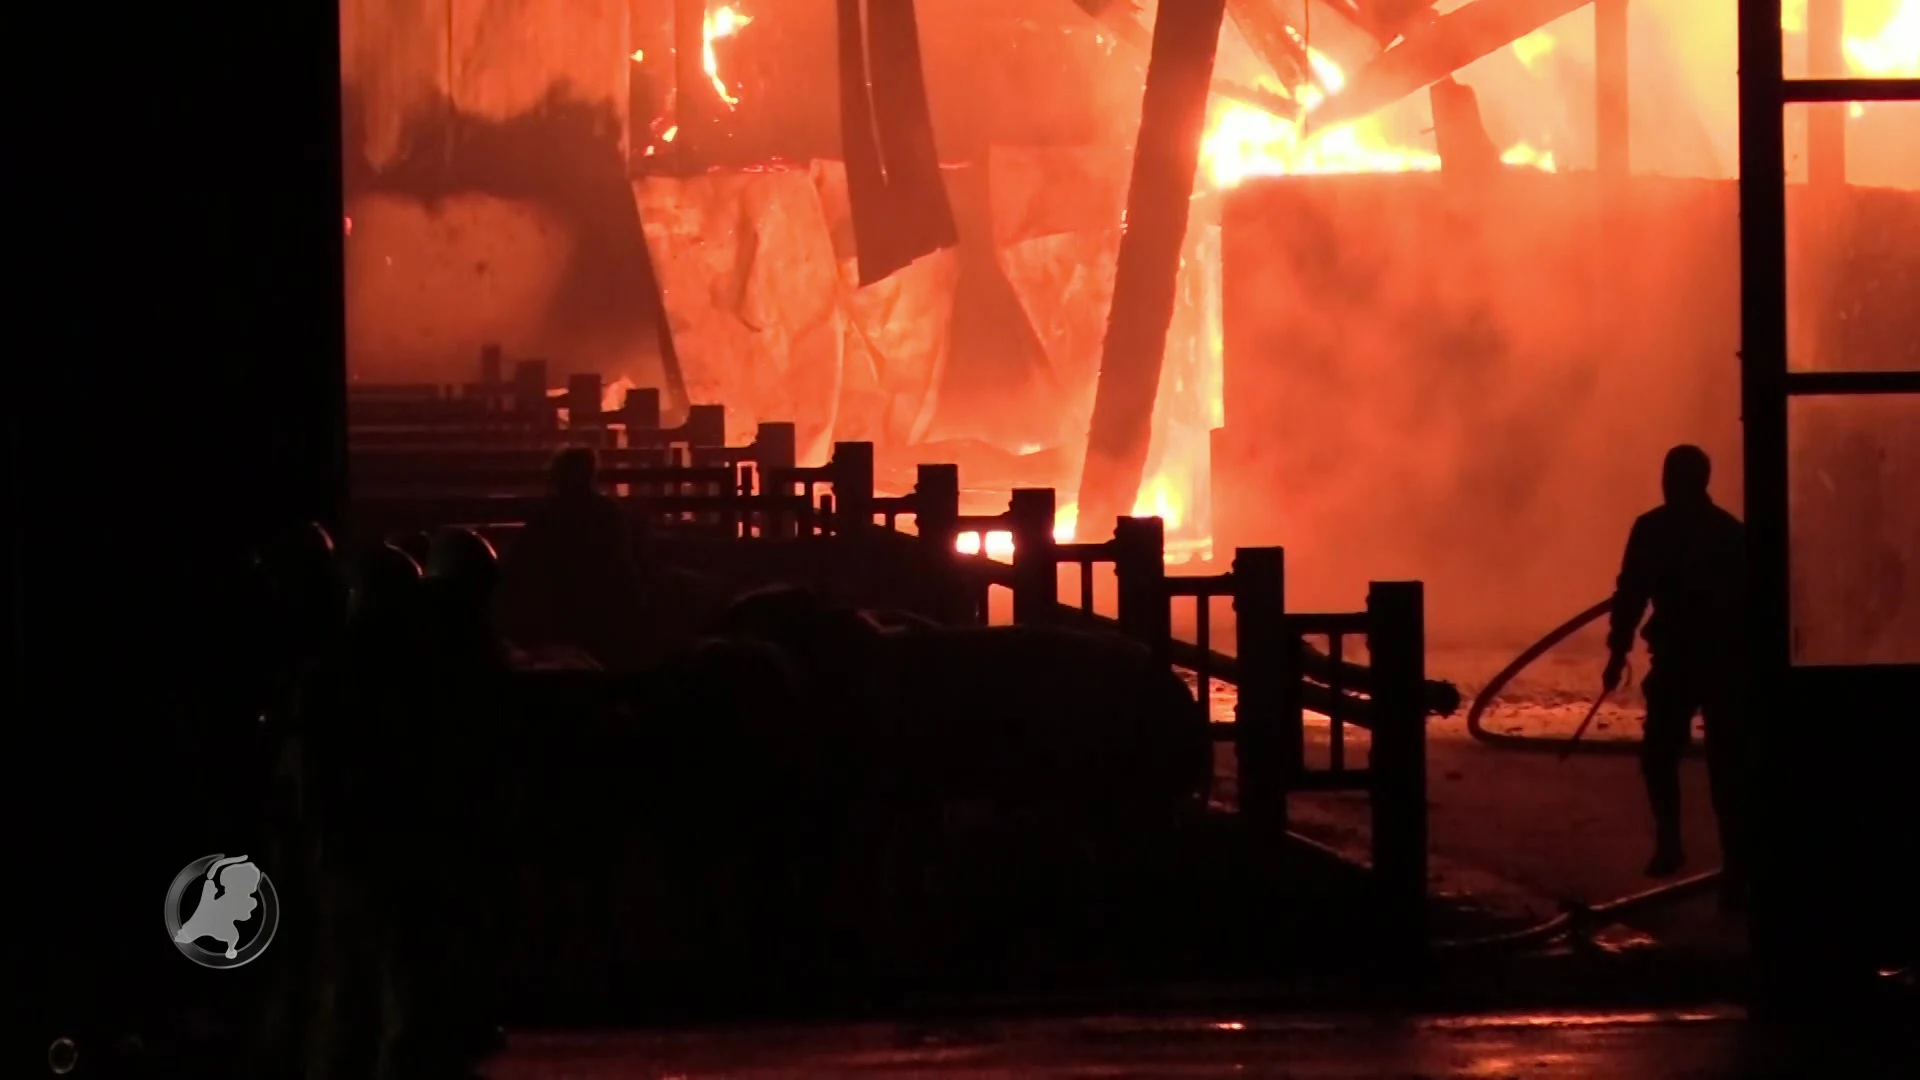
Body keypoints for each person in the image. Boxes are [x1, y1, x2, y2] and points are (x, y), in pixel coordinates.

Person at [1604, 445, 1749, 905]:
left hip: (1685, 659)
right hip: (1725, 660)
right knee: (1728, 768)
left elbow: (1630, 595)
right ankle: (1735, 868)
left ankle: (1672, 844)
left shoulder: (1654, 529)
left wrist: (1617, 652)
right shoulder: (1729, 532)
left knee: (1661, 754)